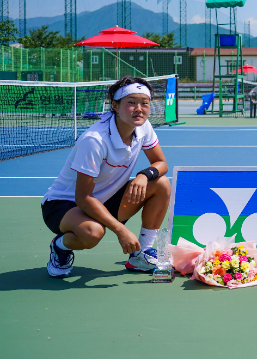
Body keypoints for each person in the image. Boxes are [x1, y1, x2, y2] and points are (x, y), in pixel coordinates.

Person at [41, 76, 171, 278]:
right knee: (93, 233)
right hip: (65, 204)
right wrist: (121, 230)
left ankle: (142, 254)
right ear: (115, 106)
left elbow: (161, 163)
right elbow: (83, 198)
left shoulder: (143, 127)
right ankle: (59, 246)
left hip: (105, 199)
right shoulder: (95, 141)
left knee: (161, 183)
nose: (139, 109)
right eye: (131, 103)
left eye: (144, 103)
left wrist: (144, 175)